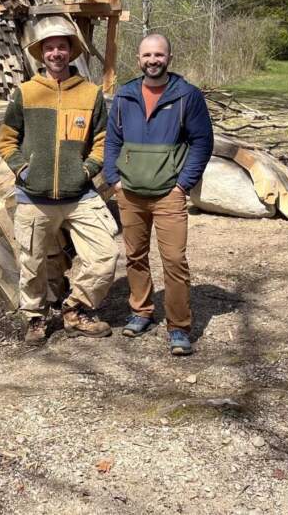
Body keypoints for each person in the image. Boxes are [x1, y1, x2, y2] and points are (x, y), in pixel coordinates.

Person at [0, 16, 120, 345]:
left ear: (71, 52)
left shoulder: (91, 93)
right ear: (41, 54)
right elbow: (7, 139)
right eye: (49, 48)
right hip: (33, 197)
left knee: (105, 255)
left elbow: (102, 140)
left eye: (62, 47)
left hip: (80, 195)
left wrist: (86, 170)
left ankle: (75, 310)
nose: (56, 53)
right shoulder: (25, 93)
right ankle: (35, 318)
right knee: (33, 263)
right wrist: (23, 170)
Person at [102, 33, 214, 356]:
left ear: (169, 58)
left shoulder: (187, 96)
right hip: (130, 193)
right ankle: (141, 311)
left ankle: (179, 327)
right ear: (138, 59)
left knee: (174, 260)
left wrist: (183, 185)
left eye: (159, 55)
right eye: (147, 55)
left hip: (169, 194)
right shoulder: (124, 96)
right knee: (135, 256)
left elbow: (202, 142)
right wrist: (114, 180)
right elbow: (112, 141)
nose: (153, 60)